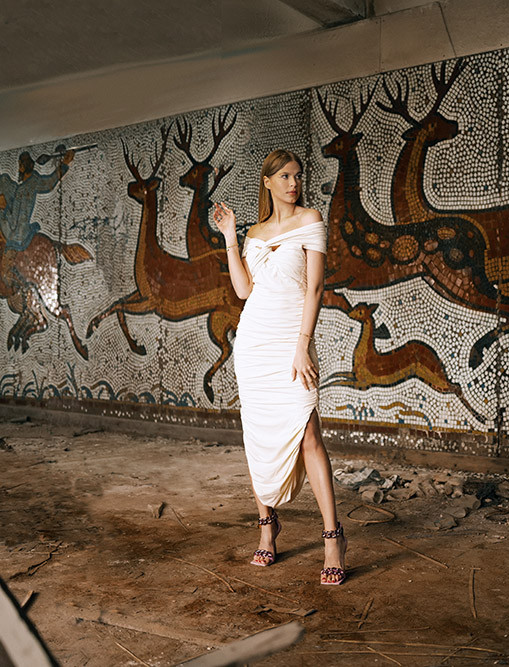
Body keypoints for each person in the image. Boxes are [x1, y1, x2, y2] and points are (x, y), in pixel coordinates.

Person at [213, 149, 348, 586]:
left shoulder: (310, 220)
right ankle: (267, 529)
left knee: (309, 434)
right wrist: (231, 236)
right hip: (254, 346)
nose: (294, 183)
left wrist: (302, 346)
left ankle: (333, 539)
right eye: (285, 176)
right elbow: (243, 291)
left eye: (298, 176)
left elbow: (315, 288)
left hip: (292, 342)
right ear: (267, 182)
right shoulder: (254, 232)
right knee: (258, 438)